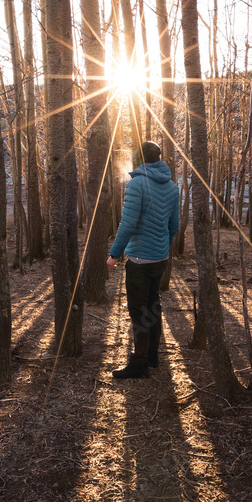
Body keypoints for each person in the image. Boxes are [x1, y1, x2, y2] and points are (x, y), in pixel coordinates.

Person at [107, 141, 180, 378]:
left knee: (139, 311)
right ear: (158, 158)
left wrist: (114, 254)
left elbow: (127, 224)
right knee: (152, 306)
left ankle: (139, 365)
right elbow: (174, 226)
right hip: (160, 259)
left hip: (139, 260)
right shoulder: (172, 187)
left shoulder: (136, 184)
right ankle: (151, 358)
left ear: (139, 159)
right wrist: (161, 249)